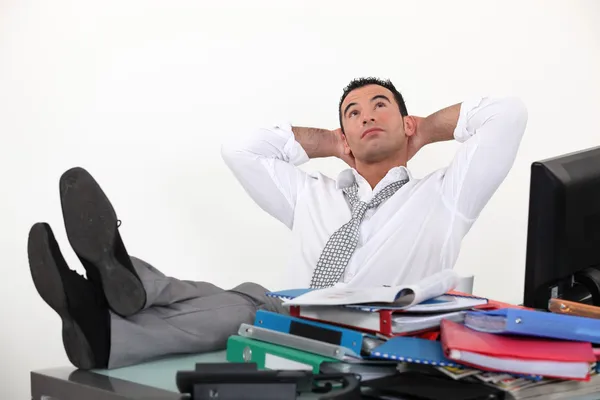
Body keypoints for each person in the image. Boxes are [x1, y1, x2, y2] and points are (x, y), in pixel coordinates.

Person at [27, 77, 528, 370]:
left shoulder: (445, 195)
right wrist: (331, 144)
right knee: (244, 304)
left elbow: (506, 113)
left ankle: (123, 283)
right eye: (352, 113)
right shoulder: (313, 194)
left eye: (382, 107)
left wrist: (423, 134)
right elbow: (239, 148)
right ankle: (101, 322)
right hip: (284, 321)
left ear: (406, 121)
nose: (367, 115)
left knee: (242, 305)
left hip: (374, 344)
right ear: (345, 134)